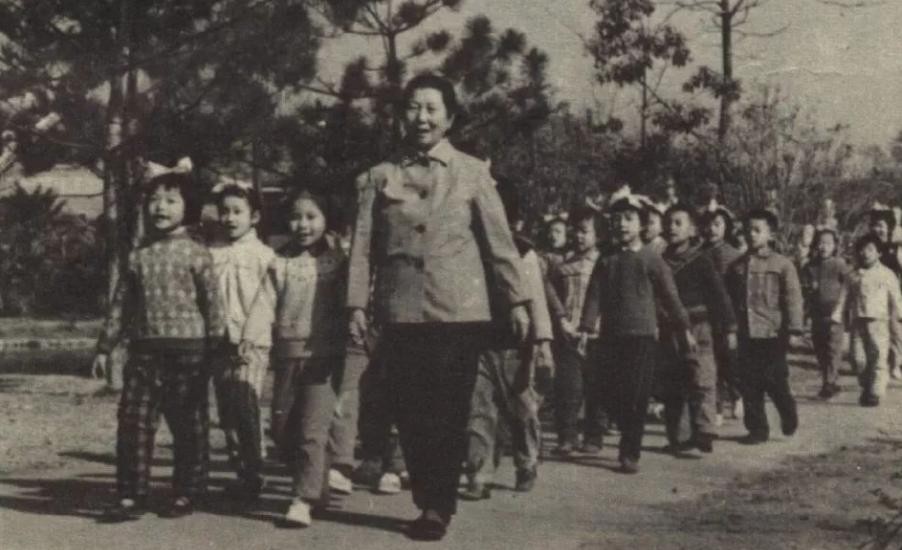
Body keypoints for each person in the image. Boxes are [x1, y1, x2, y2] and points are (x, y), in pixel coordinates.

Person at [346, 73, 530, 541]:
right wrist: (356, 304)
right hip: (400, 309)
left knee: (448, 410)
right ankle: (427, 495)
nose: (422, 117)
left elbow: (500, 244)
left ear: (449, 118)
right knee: (408, 410)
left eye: (432, 108)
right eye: (413, 107)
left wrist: (518, 299)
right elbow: (362, 248)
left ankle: (437, 505)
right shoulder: (379, 177)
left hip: (458, 310)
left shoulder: (473, 173)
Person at [94, 159, 224, 521]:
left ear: (188, 208)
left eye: (170, 200)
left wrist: (217, 347)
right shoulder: (138, 257)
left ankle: (187, 492)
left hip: (190, 355)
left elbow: (213, 305)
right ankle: (131, 495)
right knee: (134, 424)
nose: (160, 207)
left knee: (189, 426)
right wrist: (105, 347)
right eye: (154, 200)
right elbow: (121, 305)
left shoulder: (198, 254)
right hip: (144, 354)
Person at [242, 188, 348, 527]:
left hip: (324, 357)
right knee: (283, 429)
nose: (303, 225)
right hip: (287, 356)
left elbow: (350, 303)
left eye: (311, 217)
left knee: (311, 431)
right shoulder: (280, 261)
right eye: (295, 217)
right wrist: (251, 337)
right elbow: (264, 303)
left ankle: (302, 498)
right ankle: (319, 486)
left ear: (326, 220)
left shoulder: (337, 261)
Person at [579, 191, 692, 474]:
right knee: (611, 390)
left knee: (637, 396)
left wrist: (684, 329)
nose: (622, 225)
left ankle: (630, 453)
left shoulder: (652, 259)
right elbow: (594, 294)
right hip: (611, 336)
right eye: (617, 219)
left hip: (642, 337)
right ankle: (616, 431)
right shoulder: (607, 259)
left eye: (629, 219)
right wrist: (586, 327)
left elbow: (671, 297)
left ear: (641, 224)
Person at [462, 180, 554, 501]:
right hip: (478, 341)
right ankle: (479, 474)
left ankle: (526, 462)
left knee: (521, 408)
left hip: (516, 344)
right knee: (478, 410)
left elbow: (537, 300)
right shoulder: (468, 250)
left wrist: (543, 343)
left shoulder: (523, 253)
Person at [208, 180, 275, 501]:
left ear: (255, 217)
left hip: (252, 342)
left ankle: (256, 467)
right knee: (227, 411)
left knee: (246, 401)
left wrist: (255, 333)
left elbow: (270, 300)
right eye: (225, 211)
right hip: (219, 342)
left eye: (238, 211)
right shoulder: (211, 253)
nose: (230, 218)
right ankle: (243, 472)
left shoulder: (265, 255)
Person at [660, 204, 736, 455]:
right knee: (674, 381)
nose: (672, 227)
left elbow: (720, 295)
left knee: (702, 376)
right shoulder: (659, 261)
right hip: (669, 328)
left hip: (699, 325)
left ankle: (704, 430)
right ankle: (679, 436)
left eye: (678, 223)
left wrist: (729, 327)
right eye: (668, 222)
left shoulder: (701, 260)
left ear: (692, 230)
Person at [725, 209, 804, 445]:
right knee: (749, 383)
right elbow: (730, 300)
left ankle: (787, 412)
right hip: (746, 333)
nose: (751, 234)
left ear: (770, 234)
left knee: (775, 380)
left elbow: (793, 298)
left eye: (757, 230)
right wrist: (730, 328)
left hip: (772, 333)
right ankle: (757, 429)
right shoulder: (737, 266)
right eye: (748, 230)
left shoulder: (782, 264)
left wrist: (795, 330)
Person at [545, 205, 603, 456]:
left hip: (597, 334)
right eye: (576, 231)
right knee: (568, 387)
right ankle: (566, 437)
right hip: (569, 333)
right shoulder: (564, 263)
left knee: (596, 388)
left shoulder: (604, 262)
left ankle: (594, 436)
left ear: (597, 234)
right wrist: (561, 319)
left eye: (585, 231)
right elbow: (550, 291)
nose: (579, 236)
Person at [832, 234, 902, 407]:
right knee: (857, 358)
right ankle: (867, 385)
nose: (865, 253)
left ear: (879, 253)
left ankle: (875, 393)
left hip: (879, 322)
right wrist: (837, 314)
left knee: (878, 356)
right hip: (857, 322)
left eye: (870, 249)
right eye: (862, 250)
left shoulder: (886, 274)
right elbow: (844, 296)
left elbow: (896, 296)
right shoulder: (852, 275)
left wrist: (900, 313)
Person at [701, 201, 744, 423]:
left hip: (728, 316)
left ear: (726, 227)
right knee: (711, 363)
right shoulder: (698, 253)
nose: (712, 229)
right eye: (708, 224)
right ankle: (715, 407)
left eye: (717, 224)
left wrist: (733, 322)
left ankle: (736, 395)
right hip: (705, 316)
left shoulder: (734, 255)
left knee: (730, 363)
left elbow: (738, 292)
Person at [802, 228, 849, 400]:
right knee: (820, 348)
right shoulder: (810, 266)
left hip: (835, 313)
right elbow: (804, 290)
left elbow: (848, 286)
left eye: (828, 243)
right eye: (820, 243)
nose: (823, 247)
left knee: (833, 348)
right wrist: (805, 313)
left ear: (835, 245)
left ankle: (828, 383)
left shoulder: (839, 264)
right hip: (817, 314)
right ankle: (830, 380)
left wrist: (842, 308)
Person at [869, 208, 902, 380]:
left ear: (889, 228)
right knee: (876, 330)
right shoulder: (868, 246)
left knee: (895, 329)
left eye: (881, 226)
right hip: (873, 293)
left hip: (893, 293)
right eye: (875, 225)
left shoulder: (896, 246)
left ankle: (895, 364)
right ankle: (879, 363)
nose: (878, 229)